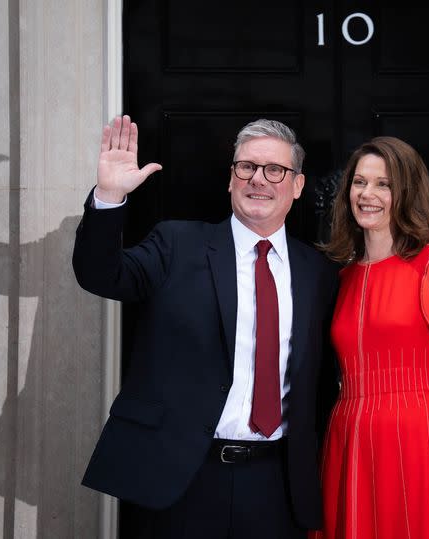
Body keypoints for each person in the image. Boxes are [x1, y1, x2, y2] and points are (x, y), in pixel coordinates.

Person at [73, 115, 338, 538]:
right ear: (230, 179)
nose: (259, 180)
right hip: (179, 478)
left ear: (298, 186)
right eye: (247, 167)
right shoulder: (176, 244)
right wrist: (108, 197)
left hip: (278, 485)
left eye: (275, 170)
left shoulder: (319, 273)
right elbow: (100, 275)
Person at [312, 137, 429, 539]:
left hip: (415, 432)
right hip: (350, 433)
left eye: (384, 184)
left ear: (404, 192)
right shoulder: (341, 276)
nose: (367, 194)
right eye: (360, 182)